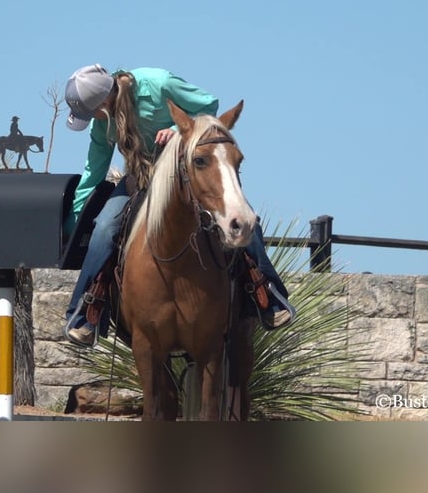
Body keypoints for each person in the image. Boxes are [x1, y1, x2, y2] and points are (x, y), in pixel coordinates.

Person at [63, 64, 294, 347]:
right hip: (141, 178)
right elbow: (94, 171)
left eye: (93, 112)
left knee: (239, 216)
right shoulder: (103, 124)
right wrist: (75, 222)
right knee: (104, 226)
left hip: (182, 174)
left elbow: (209, 104)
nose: (94, 119)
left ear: (105, 100)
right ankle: (85, 313)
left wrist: (176, 129)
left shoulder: (159, 83)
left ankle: (269, 295)